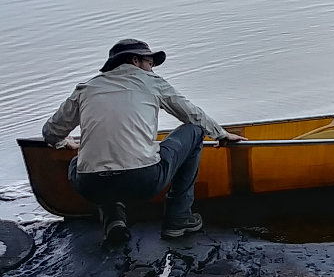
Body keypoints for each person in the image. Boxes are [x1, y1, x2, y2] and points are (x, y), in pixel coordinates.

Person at [41, 39, 247, 244]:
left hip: (90, 184)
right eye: (150, 63)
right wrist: (221, 134)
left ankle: (114, 220)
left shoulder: (86, 88)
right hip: (143, 181)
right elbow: (192, 115)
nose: (152, 70)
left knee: (77, 163)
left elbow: (50, 132)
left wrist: (62, 142)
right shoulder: (151, 82)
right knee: (194, 131)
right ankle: (178, 218)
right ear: (135, 60)